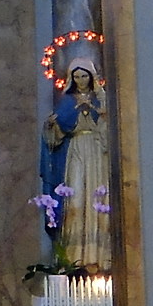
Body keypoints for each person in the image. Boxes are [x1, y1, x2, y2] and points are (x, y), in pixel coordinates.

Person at [43, 65, 110, 270]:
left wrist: (95, 109)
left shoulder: (101, 98)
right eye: (77, 76)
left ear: (91, 77)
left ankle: (101, 255)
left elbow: (108, 123)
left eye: (84, 76)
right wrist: (52, 125)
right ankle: (74, 255)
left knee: (97, 200)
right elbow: (57, 131)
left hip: (97, 150)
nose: (81, 80)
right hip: (76, 149)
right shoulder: (67, 101)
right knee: (76, 198)